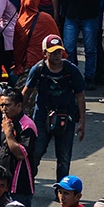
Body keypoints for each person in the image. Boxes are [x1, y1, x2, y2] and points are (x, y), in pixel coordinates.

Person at [23, 35, 87, 181]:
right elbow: (26, 93)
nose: (57, 55)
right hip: (41, 118)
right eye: (53, 52)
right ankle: (28, 184)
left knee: (64, 157)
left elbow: (80, 95)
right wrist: (17, 116)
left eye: (59, 51)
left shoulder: (71, 70)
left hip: (67, 117)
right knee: (35, 152)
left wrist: (83, 122)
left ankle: (61, 191)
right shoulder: (38, 69)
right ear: (45, 53)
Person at [0, 88, 38, 207]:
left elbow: (20, 154)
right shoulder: (6, 121)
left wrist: (8, 133)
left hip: (19, 186)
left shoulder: (27, 126)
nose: (3, 109)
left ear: (19, 105)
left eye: (7, 105)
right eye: (1, 105)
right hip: (3, 184)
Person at [11, 0, 61, 78]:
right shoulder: (47, 18)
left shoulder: (20, 22)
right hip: (50, 61)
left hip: (30, 63)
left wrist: (18, 65)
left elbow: (18, 47)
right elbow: (56, 38)